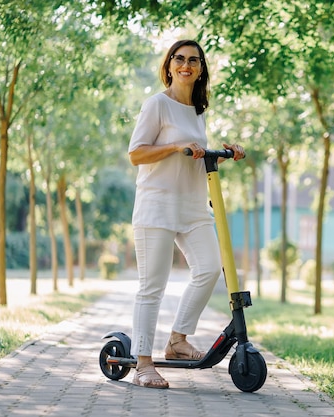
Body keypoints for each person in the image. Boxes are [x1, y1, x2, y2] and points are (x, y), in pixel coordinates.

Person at [127, 39, 245, 389]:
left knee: (209, 269)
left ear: (201, 68)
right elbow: (136, 154)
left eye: (194, 60)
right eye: (180, 59)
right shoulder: (157, 105)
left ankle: (178, 340)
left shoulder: (197, 110)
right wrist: (176, 146)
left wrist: (223, 154)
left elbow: (191, 158)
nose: (186, 65)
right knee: (152, 288)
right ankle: (143, 364)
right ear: (169, 65)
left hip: (193, 206)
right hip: (157, 205)